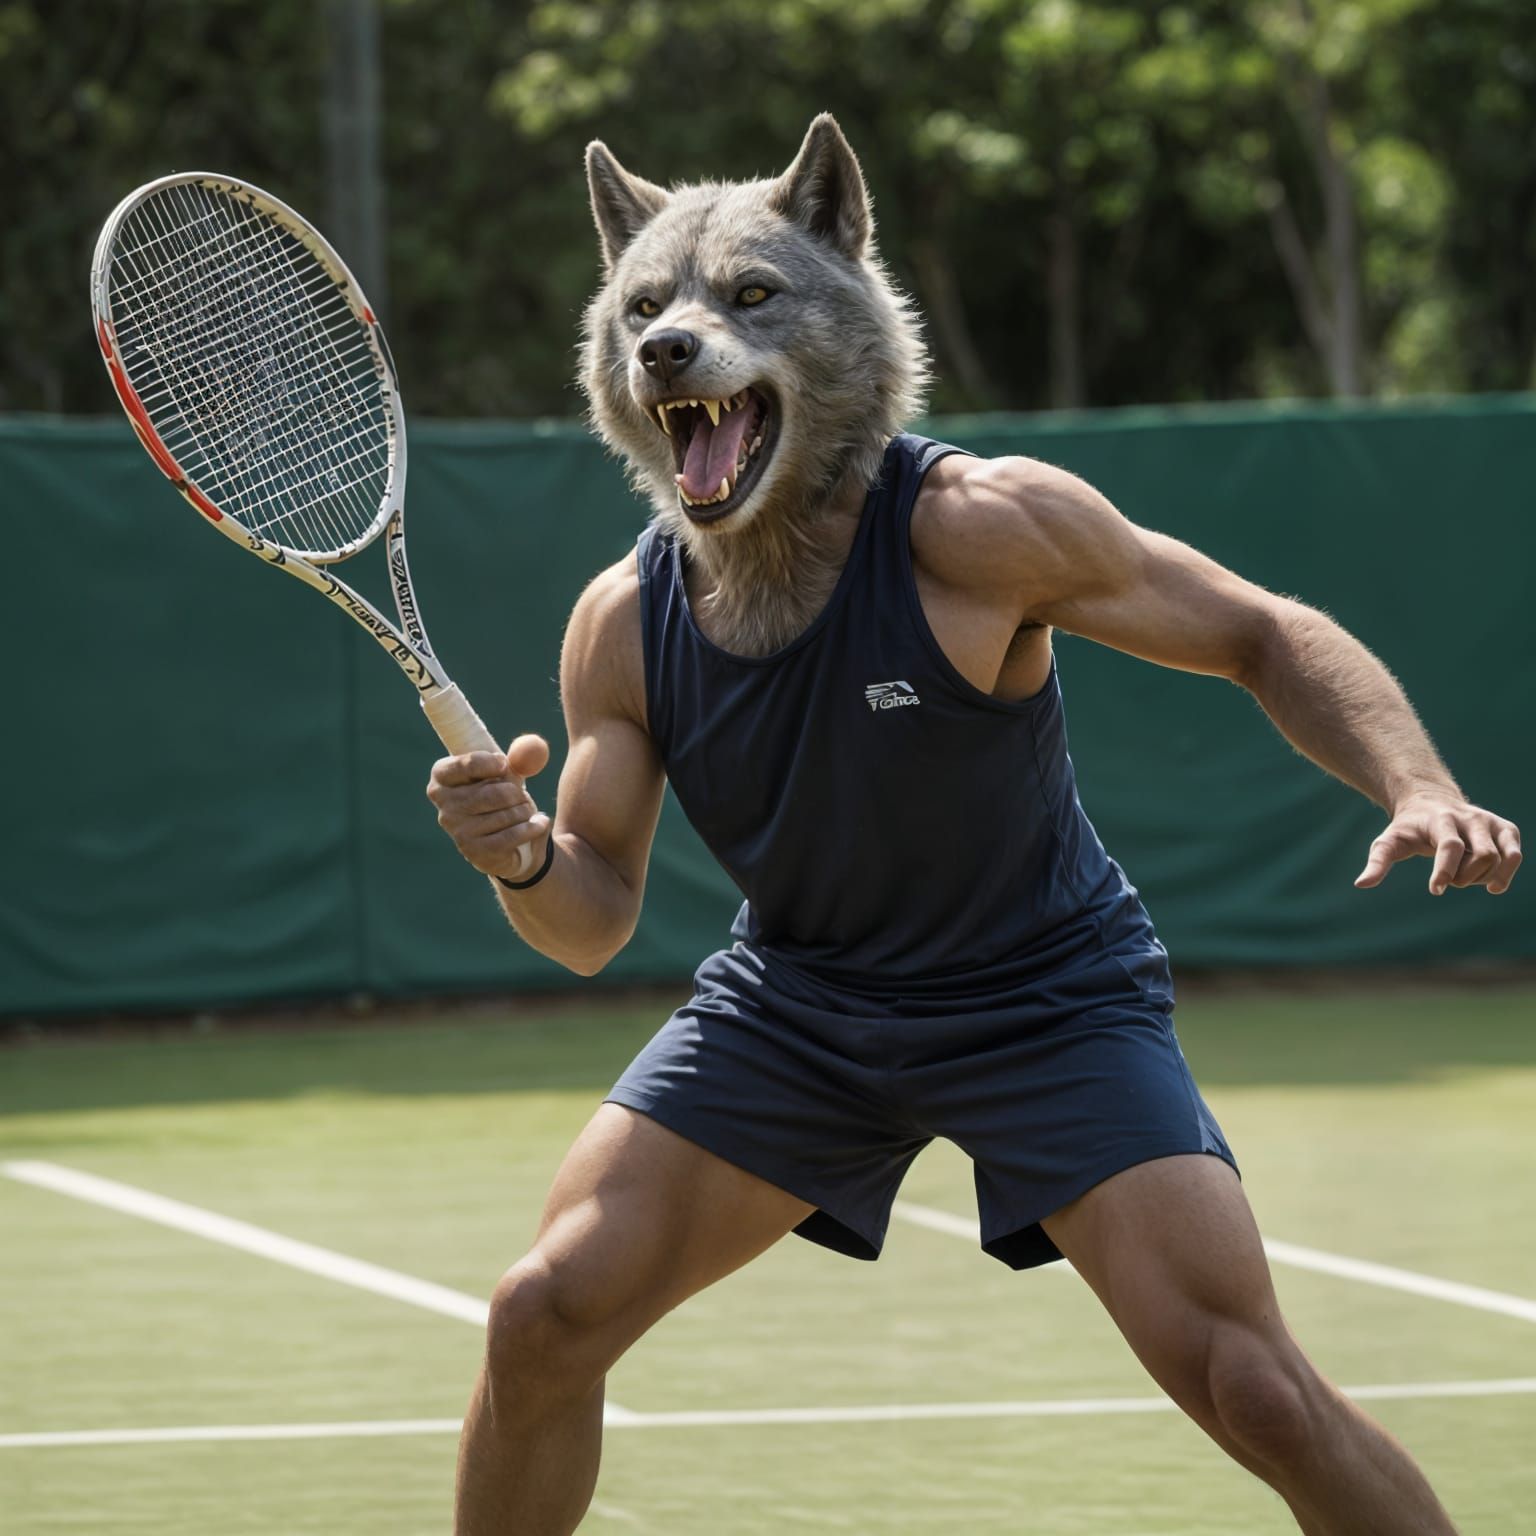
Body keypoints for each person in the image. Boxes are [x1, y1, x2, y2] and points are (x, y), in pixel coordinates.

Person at [428, 116, 1520, 1535]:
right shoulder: (623, 625)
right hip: (799, 1006)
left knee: (1252, 1388)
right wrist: (518, 853)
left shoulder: (980, 527)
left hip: (1044, 997)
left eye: (746, 300)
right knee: (539, 1316)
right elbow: (591, 921)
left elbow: (1262, 631)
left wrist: (1416, 782)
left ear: (841, 277)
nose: (676, 335)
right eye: (645, 312)